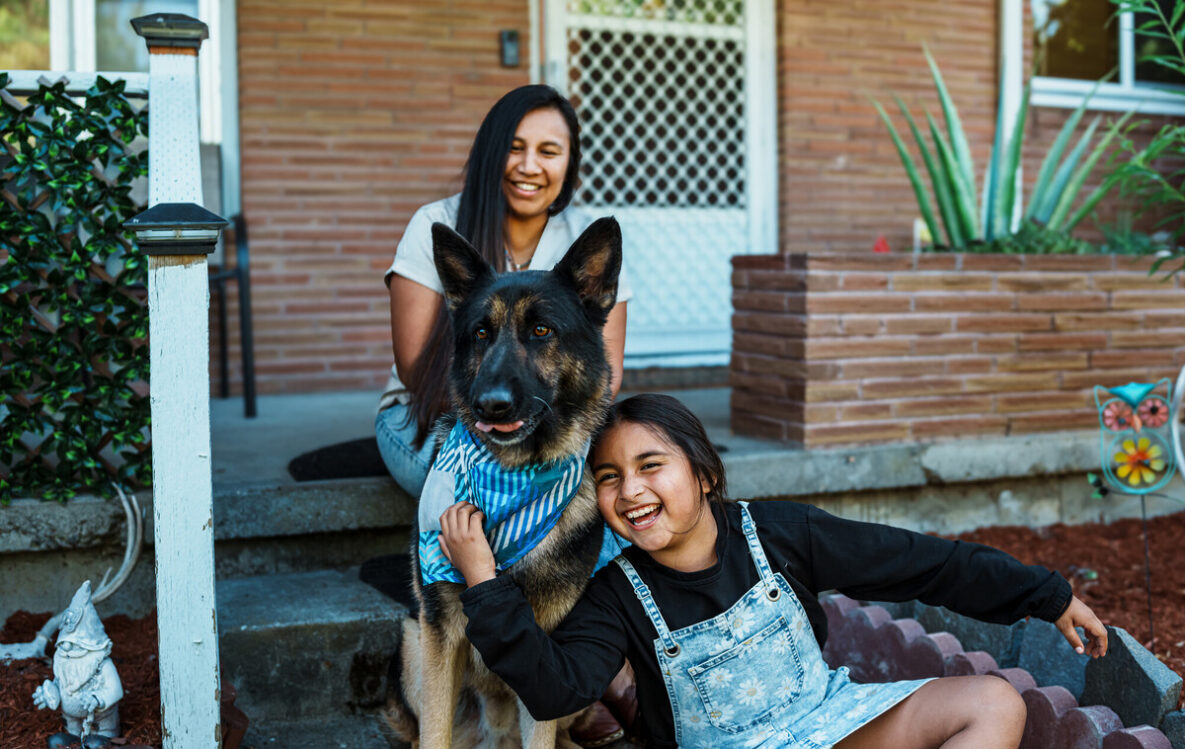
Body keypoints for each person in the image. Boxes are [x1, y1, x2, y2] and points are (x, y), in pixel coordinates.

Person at [437, 393, 1109, 749]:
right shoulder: (614, 596)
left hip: (831, 722)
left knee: (991, 702)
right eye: (608, 478)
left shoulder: (778, 531)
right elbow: (556, 690)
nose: (629, 489)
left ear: (701, 473)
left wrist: (1045, 595)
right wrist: (483, 584)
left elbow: (920, 562)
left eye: (649, 465)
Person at [377, 84, 631, 497]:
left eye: (548, 152)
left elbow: (607, 372)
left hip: (554, 418)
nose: (529, 166)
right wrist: (499, 410)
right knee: (490, 488)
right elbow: (414, 369)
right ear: (490, 155)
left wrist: (542, 420)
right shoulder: (434, 224)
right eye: (515, 148)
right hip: (428, 415)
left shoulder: (585, 242)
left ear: (569, 164)